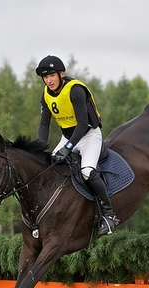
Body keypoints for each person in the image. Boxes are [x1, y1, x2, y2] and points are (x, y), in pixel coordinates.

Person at [35, 55, 119, 235]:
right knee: (49, 169)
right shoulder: (46, 94)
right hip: (67, 137)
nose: (48, 80)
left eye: (52, 75)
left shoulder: (75, 90)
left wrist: (69, 147)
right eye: (45, 77)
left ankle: (109, 215)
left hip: (88, 135)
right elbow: (44, 124)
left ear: (61, 74)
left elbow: (82, 124)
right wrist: (39, 149)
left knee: (87, 171)